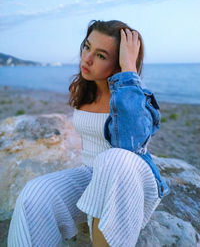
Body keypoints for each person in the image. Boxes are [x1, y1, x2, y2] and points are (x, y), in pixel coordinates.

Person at [7, 20, 170, 247]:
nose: (87, 58)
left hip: (128, 177)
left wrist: (129, 71)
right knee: (34, 194)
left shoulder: (136, 98)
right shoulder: (84, 89)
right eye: (86, 46)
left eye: (101, 55)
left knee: (112, 158)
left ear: (119, 62)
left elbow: (130, 145)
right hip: (91, 174)